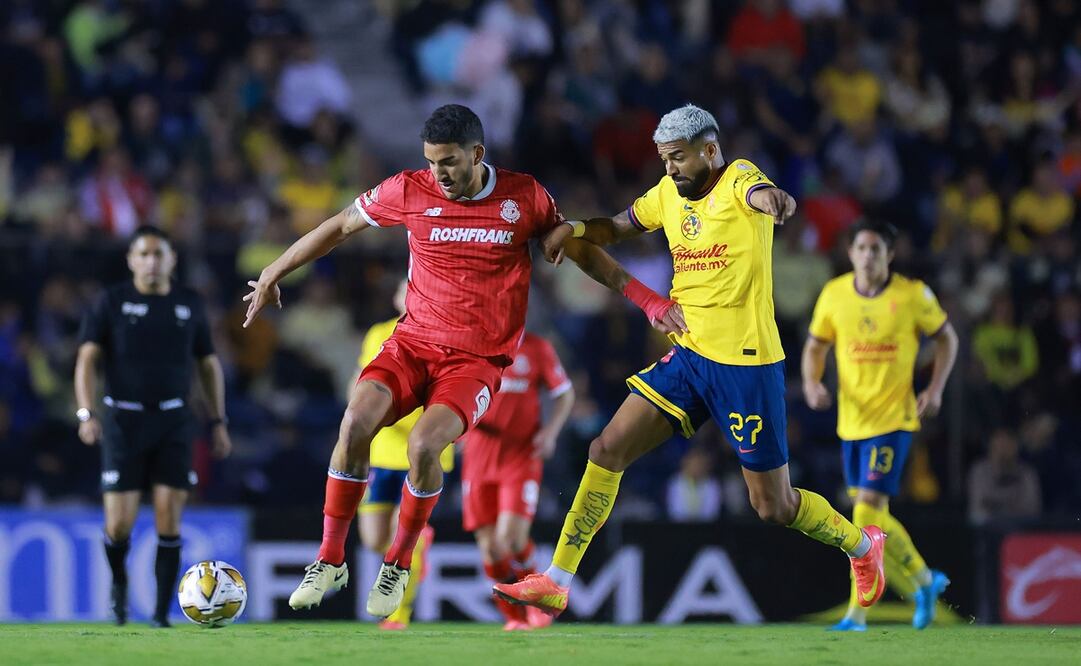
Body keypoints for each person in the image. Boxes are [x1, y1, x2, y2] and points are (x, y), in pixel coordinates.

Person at [241, 104, 673, 618]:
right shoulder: (409, 188)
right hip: (413, 344)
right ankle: (330, 559)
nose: (438, 173)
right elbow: (338, 226)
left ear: (477, 154)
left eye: (448, 162)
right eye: (430, 162)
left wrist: (649, 301)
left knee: (426, 445)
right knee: (354, 421)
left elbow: (582, 253)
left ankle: (398, 564)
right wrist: (274, 271)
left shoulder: (524, 196)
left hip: (477, 361)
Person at [495, 104, 887, 618]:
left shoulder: (739, 179)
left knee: (773, 506)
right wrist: (577, 228)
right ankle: (557, 579)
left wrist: (776, 198)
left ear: (709, 150)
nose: (670, 169)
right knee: (606, 447)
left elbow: (761, 192)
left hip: (747, 366)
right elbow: (616, 227)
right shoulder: (666, 195)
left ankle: (862, 545)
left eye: (677, 158)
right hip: (689, 355)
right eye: (664, 159)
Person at [802, 220, 959, 631]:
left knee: (865, 512)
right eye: (862, 248)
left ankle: (858, 614)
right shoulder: (834, 294)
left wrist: (936, 389)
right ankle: (924, 581)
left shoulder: (912, 295)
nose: (868, 256)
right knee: (875, 517)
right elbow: (816, 345)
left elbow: (947, 338)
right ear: (850, 252)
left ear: (890, 255)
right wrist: (811, 381)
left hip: (893, 419)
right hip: (850, 423)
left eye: (877, 249)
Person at [74, 226, 232, 627]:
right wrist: (86, 413)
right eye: (143, 254)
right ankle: (119, 584)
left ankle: (162, 613)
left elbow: (208, 364)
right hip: (122, 420)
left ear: (172, 259)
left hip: (174, 419)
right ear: (130, 260)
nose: (151, 261)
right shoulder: (111, 302)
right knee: (119, 523)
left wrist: (217, 421)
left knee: (168, 516)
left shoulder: (189, 304)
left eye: (158, 254)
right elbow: (87, 360)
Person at [353, 278, 452, 630]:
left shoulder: (445, 333)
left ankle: (399, 613)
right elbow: (363, 379)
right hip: (380, 451)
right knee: (374, 538)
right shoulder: (379, 333)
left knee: (405, 533)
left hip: (424, 450)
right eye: (403, 289)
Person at [462, 331, 574, 630]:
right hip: (478, 457)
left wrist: (550, 433)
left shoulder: (538, 348)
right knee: (490, 549)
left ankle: (538, 600)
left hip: (521, 457)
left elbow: (564, 393)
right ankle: (514, 618)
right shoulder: (475, 344)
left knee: (510, 538)